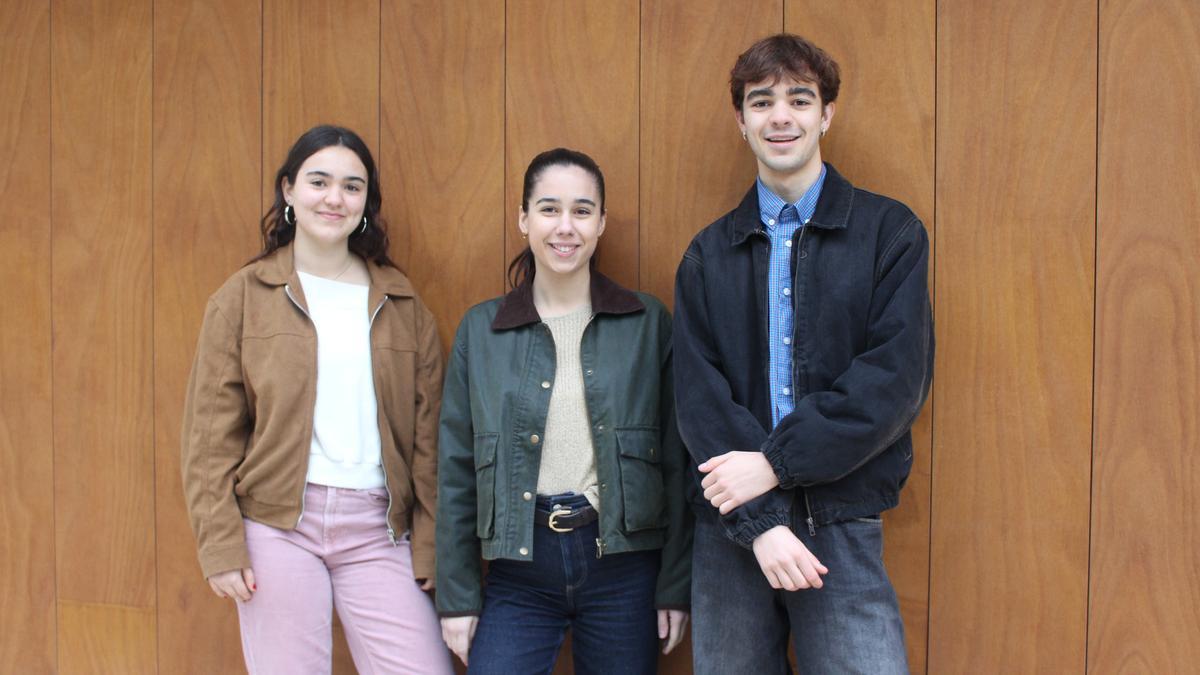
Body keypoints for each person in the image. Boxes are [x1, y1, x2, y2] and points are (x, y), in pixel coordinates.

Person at [672, 34, 934, 674]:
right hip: (730, 529)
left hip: (839, 518)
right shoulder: (707, 254)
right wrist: (760, 521)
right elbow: (699, 400)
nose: (780, 117)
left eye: (799, 98)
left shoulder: (889, 233)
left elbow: (893, 382)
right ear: (741, 121)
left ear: (827, 114)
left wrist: (775, 464)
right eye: (761, 102)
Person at [180, 124, 452, 673]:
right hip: (277, 526)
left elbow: (430, 444)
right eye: (319, 181)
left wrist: (430, 545)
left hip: (379, 529)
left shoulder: (402, 303)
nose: (335, 198)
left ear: (367, 202)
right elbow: (209, 439)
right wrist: (220, 546)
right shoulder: (242, 297)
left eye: (352, 186)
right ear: (288, 189)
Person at [435, 148, 692, 674]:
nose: (565, 226)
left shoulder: (647, 323)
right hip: (519, 570)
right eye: (549, 209)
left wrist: (674, 583)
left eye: (582, 210)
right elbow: (456, 469)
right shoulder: (481, 330)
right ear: (524, 219)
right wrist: (458, 597)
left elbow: (676, 460)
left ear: (601, 223)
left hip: (623, 569)